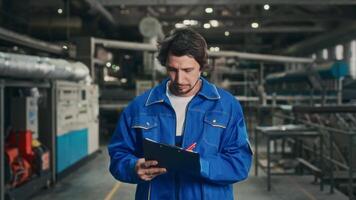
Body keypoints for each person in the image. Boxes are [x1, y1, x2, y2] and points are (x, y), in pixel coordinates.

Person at [108, 28, 252, 199]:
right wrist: (133, 167)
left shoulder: (227, 106)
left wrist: (200, 165)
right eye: (172, 70)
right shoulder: (140, 106)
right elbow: (118, 156)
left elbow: (239, 163)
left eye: (187, 70)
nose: (179, 79)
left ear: (201, 67)